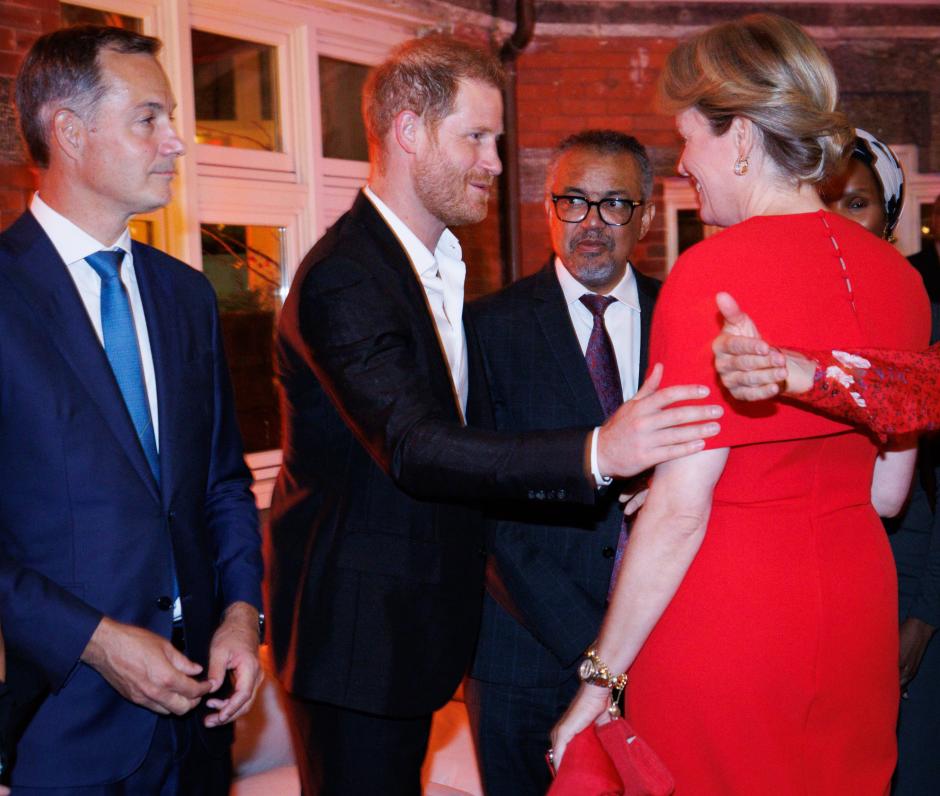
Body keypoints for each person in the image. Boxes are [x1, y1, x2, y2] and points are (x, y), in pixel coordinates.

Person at [267, 35, 723, 796]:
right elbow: (417, 446)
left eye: (496, 140)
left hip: (411, 638)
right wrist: (598, 453)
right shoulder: (350, 276)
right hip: (358, 645)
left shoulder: (432, 265)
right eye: (476, 138)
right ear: (409, 132)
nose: (496, 163)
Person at [550, 13, 929, 793]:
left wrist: (598, 678)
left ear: (745, 138)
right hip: (856, 611)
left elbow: (683, 511)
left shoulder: (709, 274)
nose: (684, 161)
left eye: (690, 137)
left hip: (735, 620)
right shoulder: (901, 278)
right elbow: (887, 492)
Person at [2, 25, 263, 792]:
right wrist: (95, 641)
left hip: (200, 722)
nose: (176, 142)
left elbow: (221, 482)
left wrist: (243, 614)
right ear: (71, 133)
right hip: (63, 721)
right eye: (149, 118)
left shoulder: (185, 294)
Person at [465, 129, 659, 796]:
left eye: (614, 205)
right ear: (547, 209)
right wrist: (597, 648)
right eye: (573, 202)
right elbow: (481, 504)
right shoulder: (486, 329)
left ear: (648, 214)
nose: (593, 225)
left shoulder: (685, 321)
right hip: (522, 653)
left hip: (662, 651)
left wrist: (628, 647)